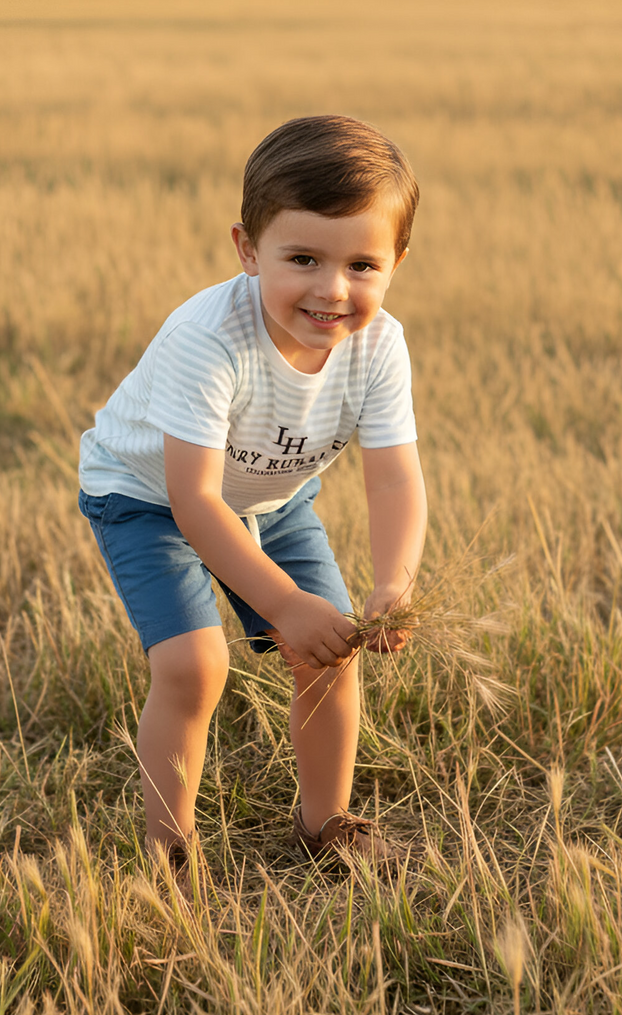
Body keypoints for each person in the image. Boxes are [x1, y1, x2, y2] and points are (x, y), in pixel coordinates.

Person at [78, 114, 427, 866]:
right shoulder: (209, 337)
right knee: (194, 666)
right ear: (247, 249)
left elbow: (394, 473)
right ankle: (167, 855)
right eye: (303, 257)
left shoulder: (379, 345)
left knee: (332, 651)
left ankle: (325, 824)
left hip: (273, 495)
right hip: (148, 497)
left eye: (363, 265)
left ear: (398, 259)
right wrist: (284, 605)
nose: (332, 289)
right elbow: (195, 500)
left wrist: (394, 584)